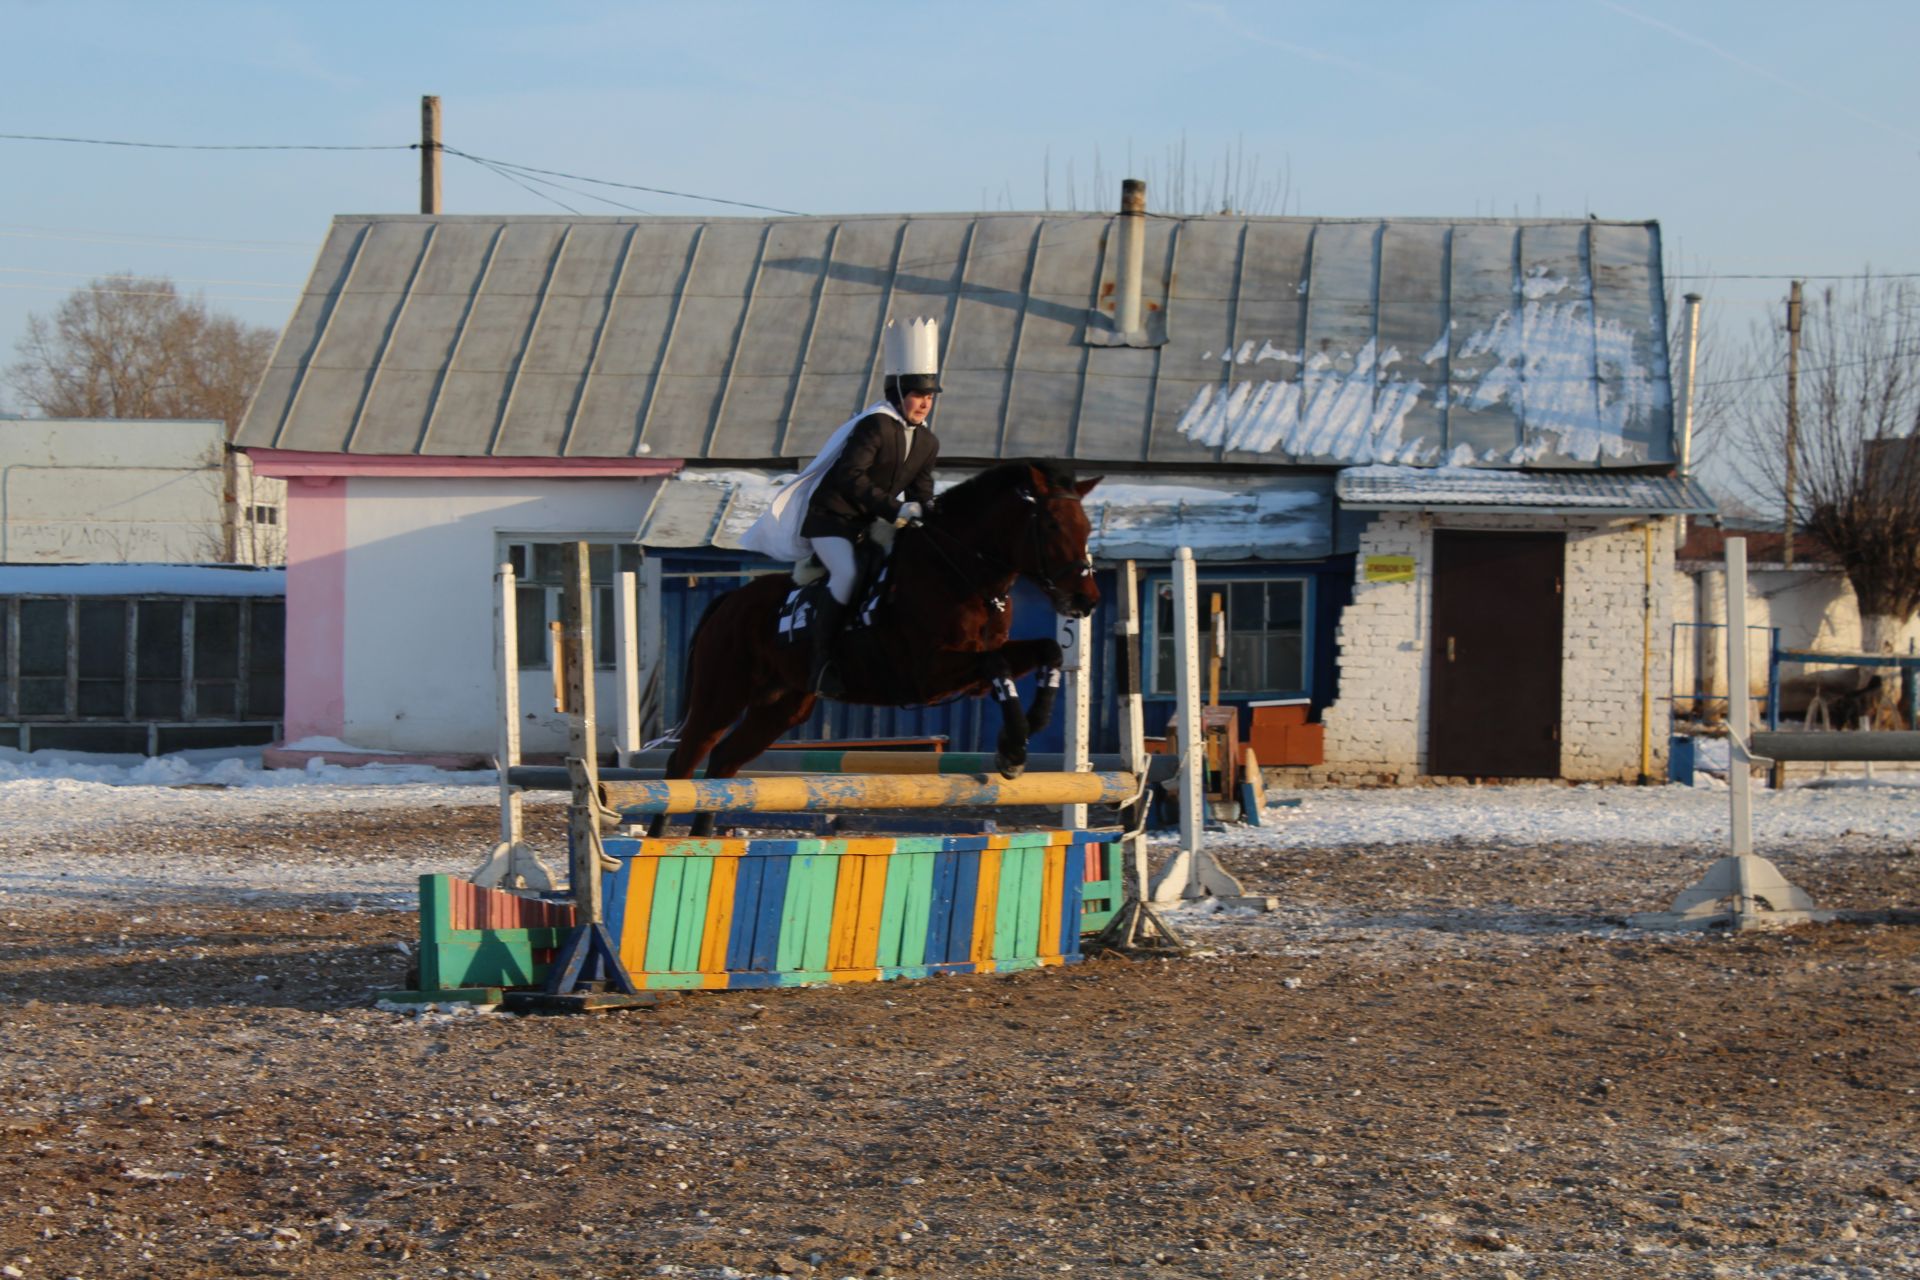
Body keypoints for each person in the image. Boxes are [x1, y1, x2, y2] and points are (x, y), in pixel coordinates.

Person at [737, 316, 943, 694]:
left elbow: (922, 494)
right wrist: (895, 510)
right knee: (847, 573)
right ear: (898, 393)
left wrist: (932, 516)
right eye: (918, 395)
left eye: (929, 397)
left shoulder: (928, 442)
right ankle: (823, 660)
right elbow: (851, 476)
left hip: (870, 525)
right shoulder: (875, 426)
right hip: (831, 521)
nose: (924, 403)